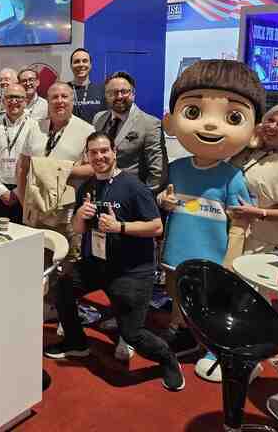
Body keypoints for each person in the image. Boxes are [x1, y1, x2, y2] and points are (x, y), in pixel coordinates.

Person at [44, 133, 185, 392]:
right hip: (97, 264)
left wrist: (120, 226)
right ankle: (76, 343)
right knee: (61, 288)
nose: (99, 157)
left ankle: (168, 359)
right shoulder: (87, 188)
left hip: (132, 271)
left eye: (104, 151)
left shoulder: (133, 186)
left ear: (114, 152)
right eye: (93, 152)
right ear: (87, 156)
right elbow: (79, 228)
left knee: (132, 334)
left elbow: (156, 227)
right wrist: (80, 215)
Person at [156, 59, 261, 367]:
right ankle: (181, 331)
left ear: (254, 132)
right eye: (193, 112)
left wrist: (231, 260)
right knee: (177, 293)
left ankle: (213, 344)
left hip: (212, 255)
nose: (211, 125)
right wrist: (164, 200)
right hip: (177, 249)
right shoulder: (176, 168)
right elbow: (167, 200)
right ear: (170, 122)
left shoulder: (232, 177)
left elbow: (240, 223)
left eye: (233, 117)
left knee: (210, 301)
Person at [17, 82, 95, 246]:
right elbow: (23, 165)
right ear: (48, 101)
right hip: (35, 210)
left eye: (64, 96)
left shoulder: (87, 131)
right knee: (35, 255)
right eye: (54, 97)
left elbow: (93, 168)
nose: (59, 101)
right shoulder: (35, 127)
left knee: (65, 257)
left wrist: (58, 170)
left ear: (72, 100)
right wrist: (24, 201)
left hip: (66, 214)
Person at [228, 103, 278, 253]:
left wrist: (258, 213)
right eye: (270, 120)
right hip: (234, 230)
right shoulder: (248, 151)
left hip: (261, 242)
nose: (272, 126)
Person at [92, 71, 166, 193]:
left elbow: (158, 171)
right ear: (106, 96)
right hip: (101, 192)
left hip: (132, 194)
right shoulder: (98, 119)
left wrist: (145, 197)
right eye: (113, 93)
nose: (119, 96)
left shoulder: (150, 124)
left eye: (124, 91)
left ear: (133, 94)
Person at [0, 82, 29, 222]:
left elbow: (37, 163)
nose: (13, 101)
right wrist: (1, 191)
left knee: (24, 232)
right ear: (3, 101)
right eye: (9, 97)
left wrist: (18, 191)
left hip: (25, 191)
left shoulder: (35, 127)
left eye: (18, 97)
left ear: (25, 101)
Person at [69, 48, 105, 122]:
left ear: (90, 65)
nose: (81, 64)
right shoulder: (63, 90)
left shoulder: (102, 90)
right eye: (77, 61)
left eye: (85, 61)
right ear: (71, 65)